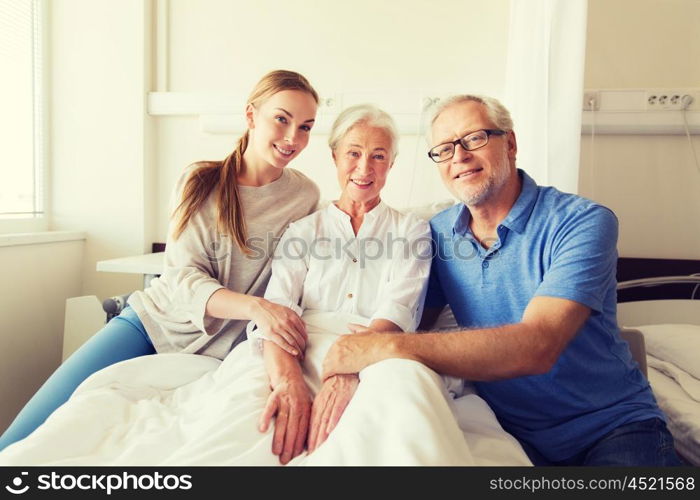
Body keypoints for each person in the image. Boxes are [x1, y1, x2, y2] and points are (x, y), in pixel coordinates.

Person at [321, 94, 682, 466]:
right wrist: (353, 368)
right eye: (443, 149)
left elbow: (538, 345)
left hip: (611, 428)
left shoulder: (581, 222)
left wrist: (384, 347)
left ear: (510, 143)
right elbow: (406, 316)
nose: (458, 156)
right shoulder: (436, 235)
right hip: (507, 434)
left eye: (474, 138)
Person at [0, 69, 321, 452]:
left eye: (305, 127)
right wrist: (257, 307)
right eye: (281, 119)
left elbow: (298, 274)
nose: (292, 138)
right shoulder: (200, 181)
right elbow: (183, 277)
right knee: (28, 434)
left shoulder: (305, 195)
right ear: (251, 115)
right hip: (152, 324)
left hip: (221, 350)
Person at [247, 103, 433, 464]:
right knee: (254, 431)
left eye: (379, 156)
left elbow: (399, 308)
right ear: (334, 157)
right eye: (354, 153)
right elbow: (278, 312)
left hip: (379, 353)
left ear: (391, 165)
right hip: (297, 348)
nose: (365, 168)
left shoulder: (411, 230)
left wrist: (351, 365)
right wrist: (288, 381)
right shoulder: (302, 231)